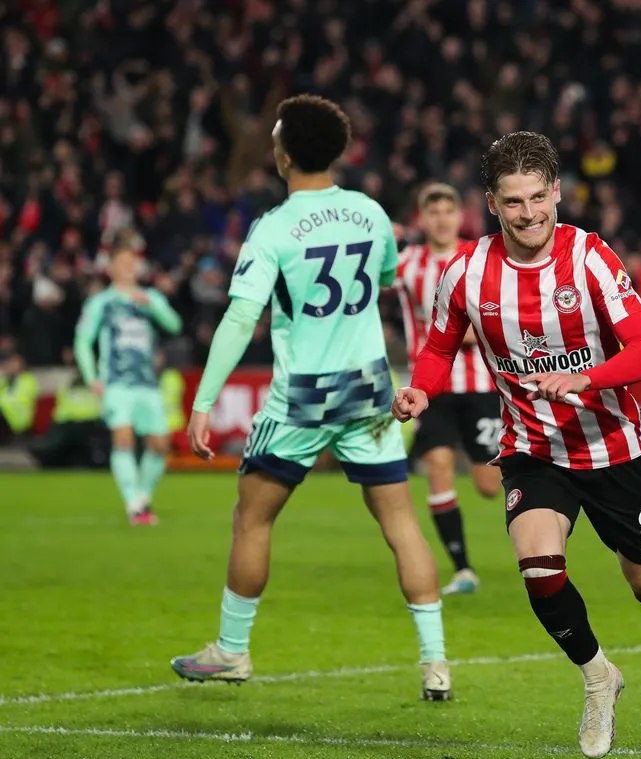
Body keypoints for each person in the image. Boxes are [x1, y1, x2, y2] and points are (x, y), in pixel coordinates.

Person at [392, 131, 641, 759]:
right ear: (491, 202)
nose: (529, 213)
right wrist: (420, 391)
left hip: (611, 449)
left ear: (558, 192)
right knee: (540, 571)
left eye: (539, 197)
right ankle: (599, 677)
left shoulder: (592, 259)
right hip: (532, 448)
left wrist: (585, 378)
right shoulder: (465, 271)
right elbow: (439, 346)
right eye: (513, 201)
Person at [170, 94, 452, 701]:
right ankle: (435, 663)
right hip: (370, 388)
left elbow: (240, 319)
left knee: (252, 517)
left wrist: (203, 402)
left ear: (285, 153)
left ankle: (232, 651)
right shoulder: (371, 214)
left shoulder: (272, 228)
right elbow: (381, 282)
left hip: (302, 397)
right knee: (401, 523)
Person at [396, 182, 502, 596]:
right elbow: (368, 273)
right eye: (432, 211)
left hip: (480, 387)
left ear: (460, 217)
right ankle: (462, 569)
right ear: (422, 219)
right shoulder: (408, 264)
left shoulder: (480, 257)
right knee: (437, 467)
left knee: (489, 486)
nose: (441, 218)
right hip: (431, 388)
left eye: (448, 211)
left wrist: (467, 333)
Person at [74, 242, 182, 524]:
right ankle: (134, 504)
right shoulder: (101, 303)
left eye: (131, 261)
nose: (128, 267)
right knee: (122, 438)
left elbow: (174, 325)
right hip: (117, 383)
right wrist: (91, 377)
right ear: (110, 269)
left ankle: (142, 496)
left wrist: (154, 307)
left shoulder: (150, 297)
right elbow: (83, 341)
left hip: (147, 382)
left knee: (159, 444)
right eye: (122, 262)